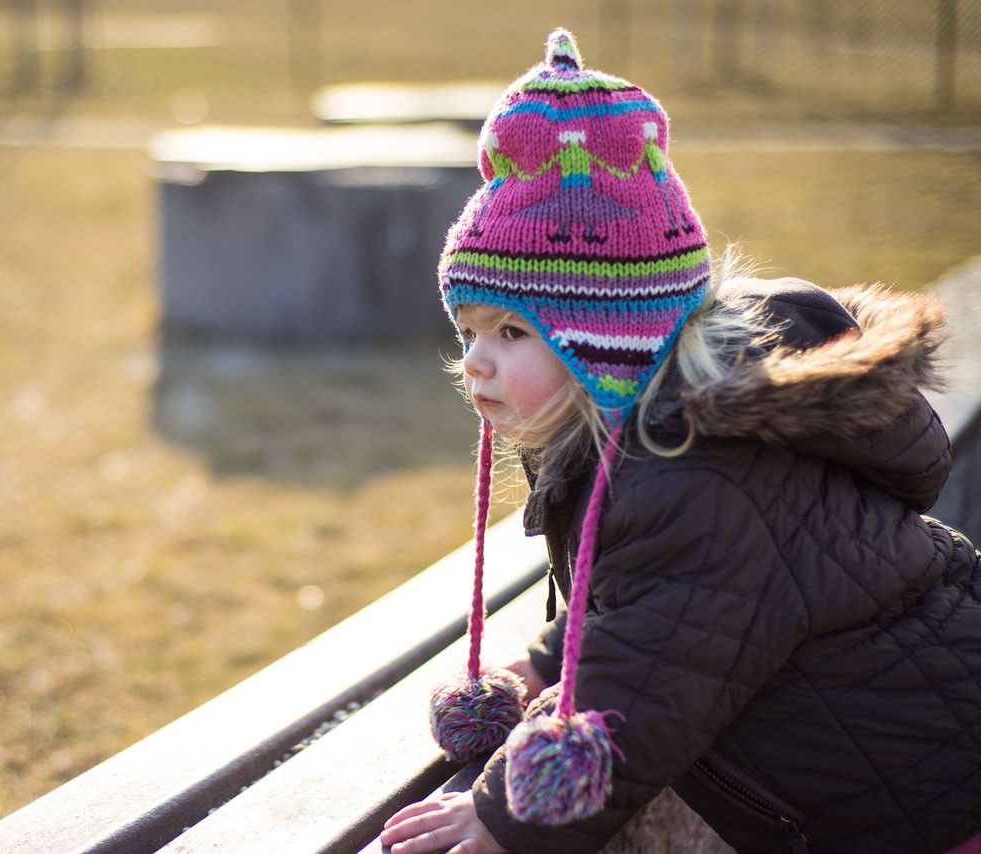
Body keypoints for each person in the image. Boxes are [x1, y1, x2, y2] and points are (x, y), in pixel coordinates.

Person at [379, 26, 981, 854]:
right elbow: (651, 610)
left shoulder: (696, 479)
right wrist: (549, 661)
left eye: (514, 333)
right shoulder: (660, 434)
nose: (475, 364)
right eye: (471, 329)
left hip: (927, 802)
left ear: (609, 343)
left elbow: (646, 695)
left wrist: (501, 816)